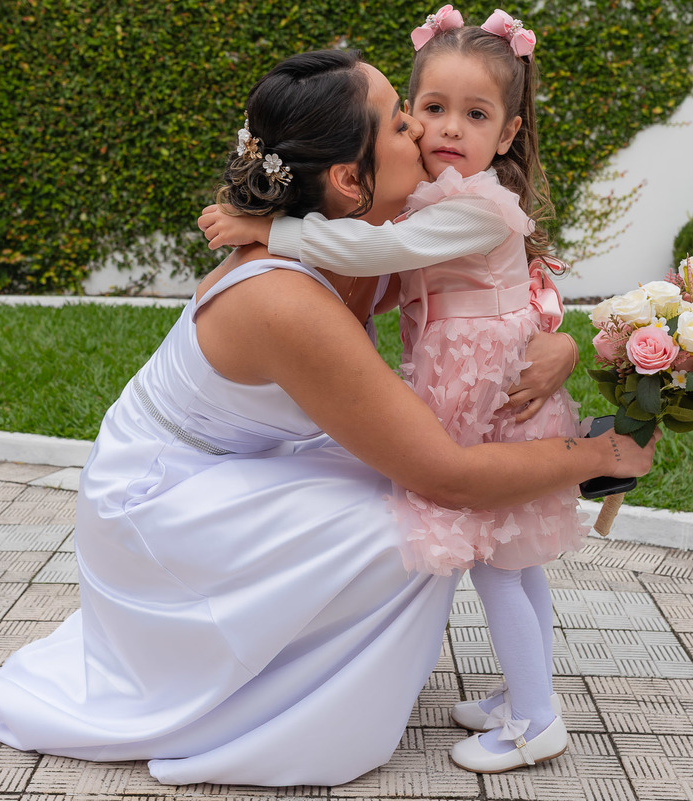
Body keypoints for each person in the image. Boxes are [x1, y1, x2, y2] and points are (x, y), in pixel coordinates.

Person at [0, 49, 657, 787]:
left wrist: (557, 345)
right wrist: (595, 453)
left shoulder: (371, 243)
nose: (425, 131)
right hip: (157, 505)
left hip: (237, 464)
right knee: (417, 519)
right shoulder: (283, 297)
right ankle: (281, 706)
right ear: (351, 181)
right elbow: (448, 475)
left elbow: (493, 290)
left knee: (411, 500)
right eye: (400, 120)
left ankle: (319, 658)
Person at [199, 8, 600, 774]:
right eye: (432, 109)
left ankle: (536, 716)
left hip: (483, 389)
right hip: (473, 380)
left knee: (496, 560)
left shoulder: (478, 209)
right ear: (410, 112)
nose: (449, 128)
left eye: (476, 114)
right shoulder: (446, 200)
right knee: (514, 557)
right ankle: (524, 691)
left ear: (509, 134)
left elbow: (384, 248)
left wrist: (269, 232)